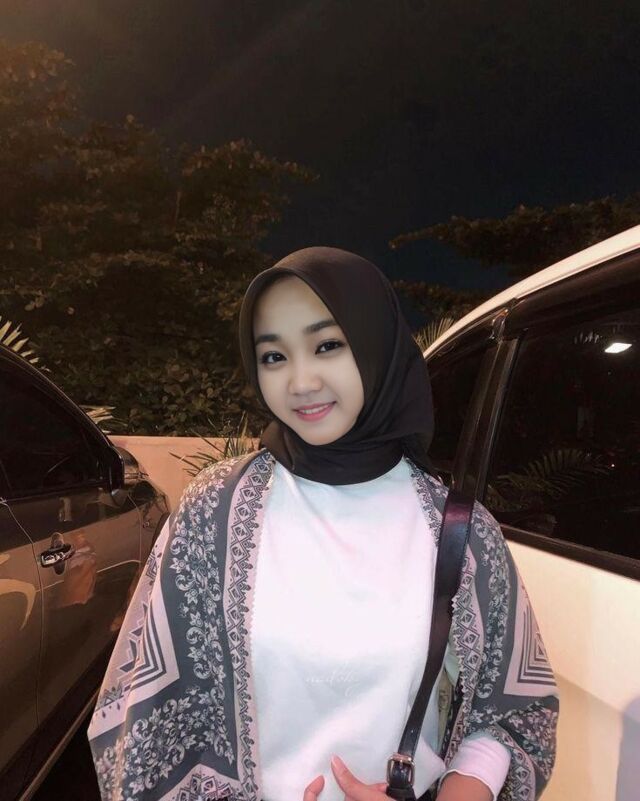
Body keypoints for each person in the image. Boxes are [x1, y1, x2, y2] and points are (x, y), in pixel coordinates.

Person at [88, 247, 558, 801]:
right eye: (273, 356)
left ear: (376, 346)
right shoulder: (216, 510)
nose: (301, 381)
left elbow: (510, 715)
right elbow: (145, 717)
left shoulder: (459, 529)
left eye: (327, 345)